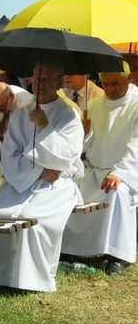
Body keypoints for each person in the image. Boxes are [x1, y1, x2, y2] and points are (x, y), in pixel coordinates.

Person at [0, 60, 84, 292]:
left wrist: (45, 127)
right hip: (20, 182)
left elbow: (66, 158)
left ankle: (29, 280)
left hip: (54, 186)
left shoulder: (69, 115)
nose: (38, 84)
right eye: (35, 78)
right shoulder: (21, 113)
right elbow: (9, 154)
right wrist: (37, 169)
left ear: (58, 83)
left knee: (32, 220)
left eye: (45, 79)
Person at [61, 71, 138, 275]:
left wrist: (120, 173)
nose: (110, 89)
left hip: (124, 173)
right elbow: (84, 147)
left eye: (115, 84)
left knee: (117, 194)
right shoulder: (94, 106)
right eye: (106, 84)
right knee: (71, 192)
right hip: (94, 170)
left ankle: (116, 255)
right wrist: (84, 133)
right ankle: (73, 249)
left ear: (128, 80)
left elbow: (136, 145)